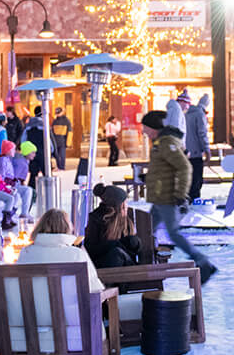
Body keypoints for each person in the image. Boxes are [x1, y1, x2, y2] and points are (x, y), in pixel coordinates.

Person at [142, 110, 216, 282]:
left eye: (145, 127)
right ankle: (146, 263)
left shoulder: (167, 143)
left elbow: (184, 167)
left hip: (168, 198)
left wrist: (181, 195)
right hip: (161, 196)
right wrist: (148, 178)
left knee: (173, 233)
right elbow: (165, 168)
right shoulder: (161, 142)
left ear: (154, 127)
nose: (144, 131)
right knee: (147, 230)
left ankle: (203, 262)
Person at [18, 208, 104, 294]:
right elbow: (94, 289)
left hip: (33, 307)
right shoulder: (76, 254)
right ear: (67, 227)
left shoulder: (25, 253)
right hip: (70, 307)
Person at [83, 184, 144, 268]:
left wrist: (135, 243)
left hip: (126, 268)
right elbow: (90, 250)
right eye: (124, 203)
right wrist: (114, 244)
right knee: (116, 254)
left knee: (118, 254)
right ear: (117, 205)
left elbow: (134, 251)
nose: (126, 206)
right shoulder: (96, 219)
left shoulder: (126, 220)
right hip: (103, 266)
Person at [182, 92, 210, 204]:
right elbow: (202, 133)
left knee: (187, 181)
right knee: (196, 181)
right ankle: (194, 204)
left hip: (184, 153)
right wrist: (207, 150)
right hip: (195, 153)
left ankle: (186, 204)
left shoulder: (186, 114)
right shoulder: (199, 114)